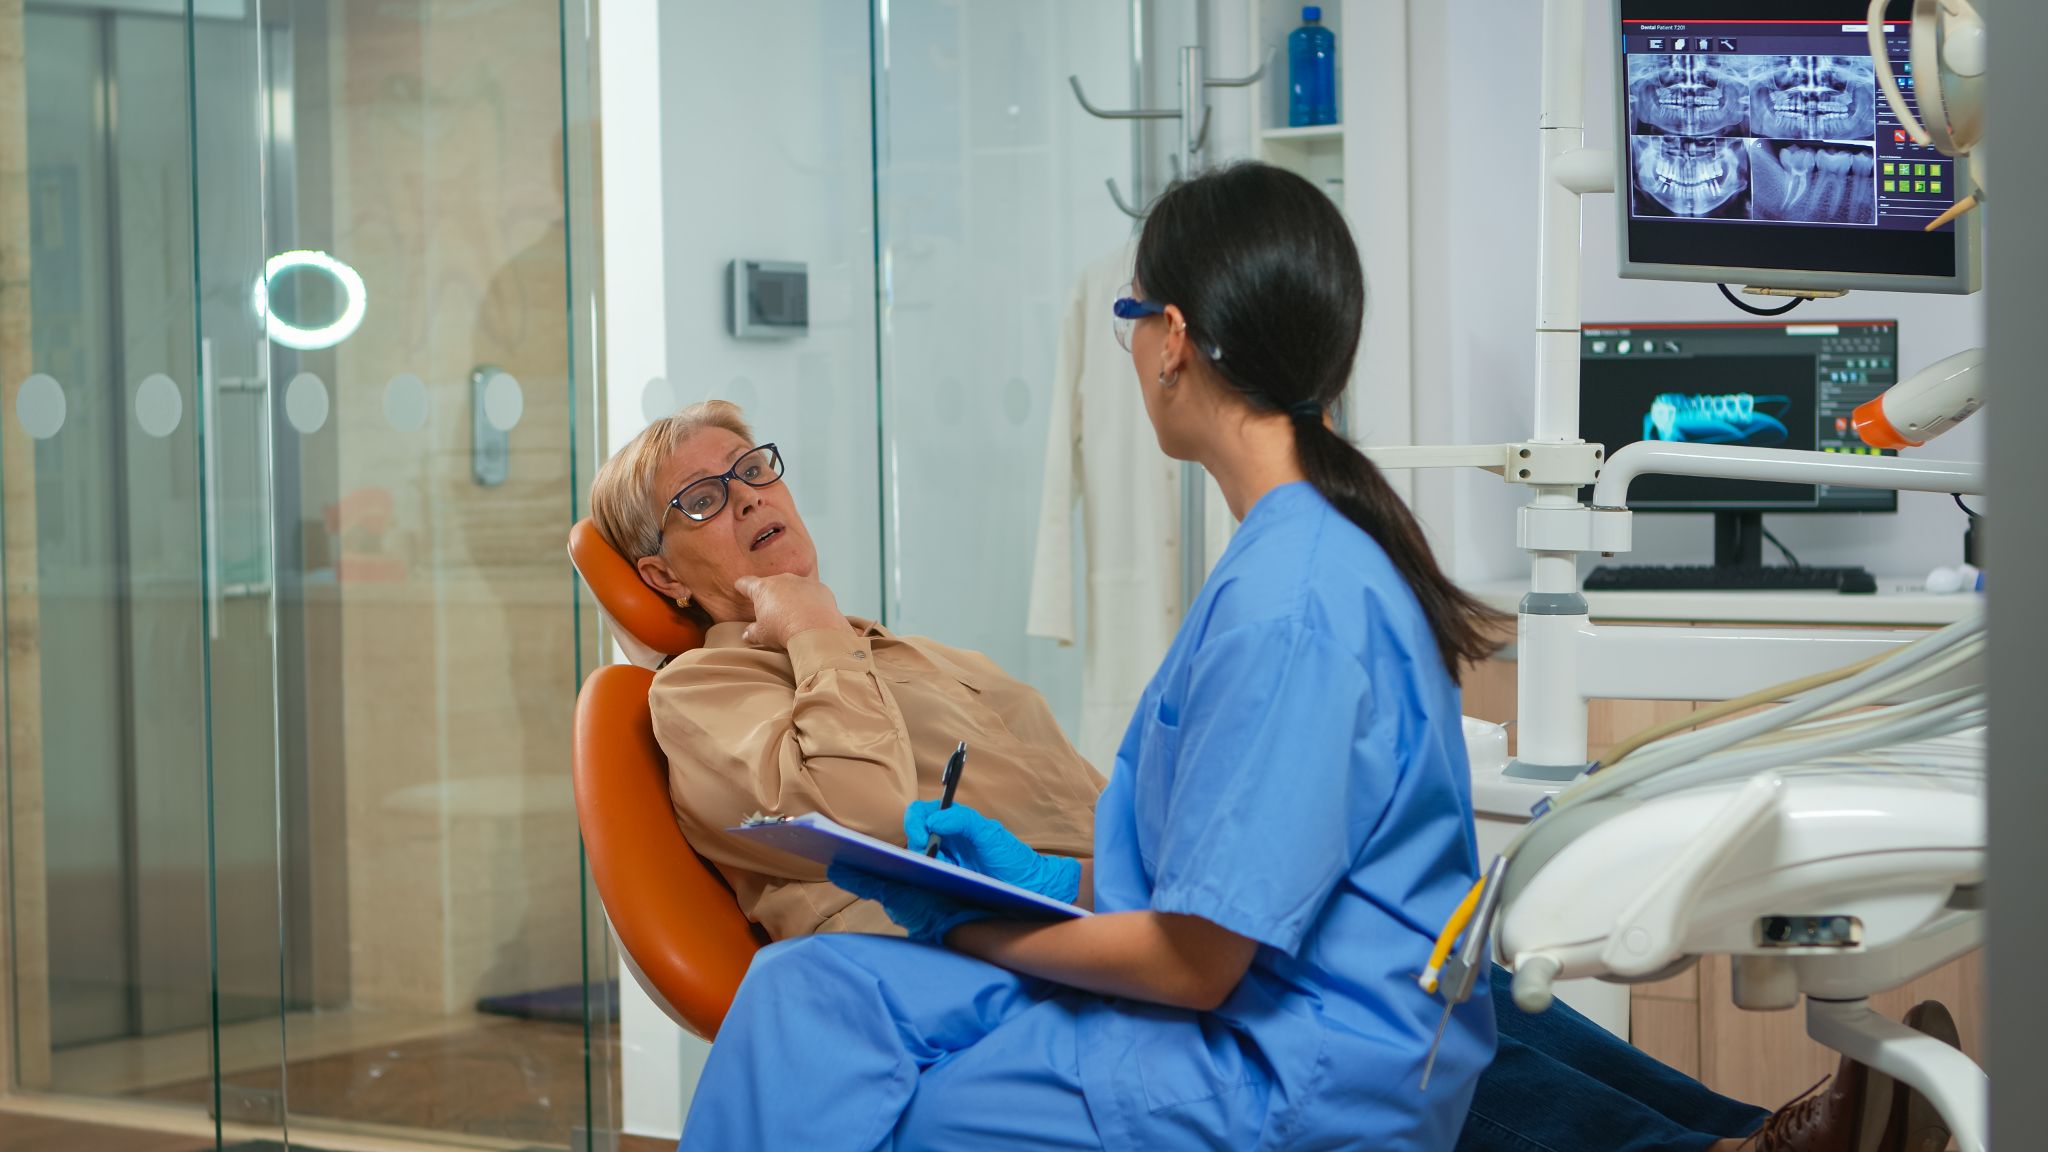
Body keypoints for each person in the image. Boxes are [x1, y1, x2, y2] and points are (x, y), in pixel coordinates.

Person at [584, 165, 1953, 1151]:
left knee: (1431, 992)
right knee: (816, 999)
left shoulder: (1287, 591)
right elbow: (863, 825)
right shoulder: (705, 686)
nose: (751, 494)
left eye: (752, 465)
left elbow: (1195, 953)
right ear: (658, 572)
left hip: (1238, 1028)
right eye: (705, 496)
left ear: (1175, 342)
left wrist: (1007, 895)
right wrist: (1003, 875)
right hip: (1118, 952)